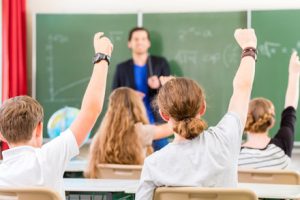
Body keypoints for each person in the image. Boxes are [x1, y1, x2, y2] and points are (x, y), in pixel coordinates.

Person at [135, 28, 257, 200]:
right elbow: (242, 88)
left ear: (163, 115)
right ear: (203, 108)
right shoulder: (224, 140)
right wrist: (249, 47)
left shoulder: (154, 164)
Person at [0, 32, 113, 199]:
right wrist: (102, 57)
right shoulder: (48, 158)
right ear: (39, 129)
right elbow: (91, 111)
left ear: (1, 135)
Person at [84, 87, 173, 178]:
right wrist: (172, 94)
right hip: (136, 188)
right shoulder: (141, 132)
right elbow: (174, 127)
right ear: (137, 107)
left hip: (106, 188)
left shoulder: (100, 136)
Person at [238, 51, 300, 169]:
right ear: (271, 122)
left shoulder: (234, 156)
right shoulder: (281, 149)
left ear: (245, 120)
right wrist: (294, 74)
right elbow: (290, 108)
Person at [112, 27, 170, 151]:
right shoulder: (122, 68)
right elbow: (114, 95)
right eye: (136, 39)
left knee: (163, 156)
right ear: (129, 43)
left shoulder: (160, 63)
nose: (140, 42)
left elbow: (171, 92)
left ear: (148, 43)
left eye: (143, 39)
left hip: (157, 123)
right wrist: (130, 95)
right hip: (131, 124)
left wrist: (158, 86)